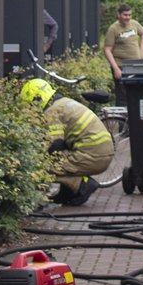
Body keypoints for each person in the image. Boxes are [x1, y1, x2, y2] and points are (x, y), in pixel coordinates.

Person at [20, 77, 114, 206]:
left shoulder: (51, 112)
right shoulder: (63, 102)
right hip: (102, 152)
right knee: (62, 159)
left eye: (31, 104)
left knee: (45, 167)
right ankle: (67, 193)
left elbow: (55, 146)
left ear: (37, 99)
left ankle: (83, 185)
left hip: (93, 157)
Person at [102, 4, 143, 88]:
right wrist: (115, 68)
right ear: (118, 15)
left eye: (129, 15)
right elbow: (107, 50)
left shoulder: (134, 24)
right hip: (121, 66)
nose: (128, 17)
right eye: (125, 15)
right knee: (122, 93)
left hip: (135, 65)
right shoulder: (113, 28)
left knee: (136, 92)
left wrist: (141, 51)